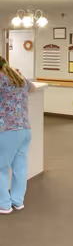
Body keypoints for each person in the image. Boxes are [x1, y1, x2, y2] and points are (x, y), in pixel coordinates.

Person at [0, 52, 30, 213]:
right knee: (20, 167)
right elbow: (31, 89)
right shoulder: (19, 78)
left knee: (1, 168)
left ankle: (4, 204)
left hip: (6, 130)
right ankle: (17, 201)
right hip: (24, 128)